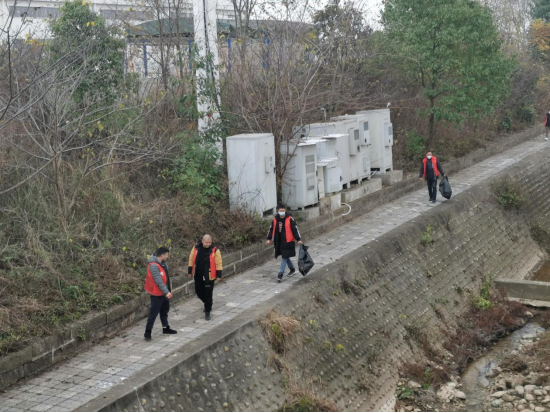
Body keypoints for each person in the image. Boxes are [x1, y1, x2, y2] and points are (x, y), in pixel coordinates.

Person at [144, 247, 177, 341]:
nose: (167, 256)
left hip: (164, 292)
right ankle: (147, 332)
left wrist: (168, 291)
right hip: (157, 294)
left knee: (164, 311)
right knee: (153, 313)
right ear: (162, 255)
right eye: (167, 254)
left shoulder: (162, 263)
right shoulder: (153, 265)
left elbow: (166, 278)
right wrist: (166, 292)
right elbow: (158, 281)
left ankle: (165, 328)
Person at [188, 235, 223, 321]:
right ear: (202, 241)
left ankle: (208, 310)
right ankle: (208, 303)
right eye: (206, 242)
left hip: (209, 276)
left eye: (209, 242)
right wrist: (190, 271)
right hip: (198, 275)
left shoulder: (215, 250)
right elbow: (191, 259)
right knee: (198, 291)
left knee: (208, 294)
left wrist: (219, 275)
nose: (208, 244)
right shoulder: (196, 248)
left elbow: (218, 263)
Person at [266, 204, 303, 282]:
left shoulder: (290, 219)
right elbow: (271, 229)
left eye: (283, 211)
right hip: (279, 241)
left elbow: (295, 229)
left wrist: (298, 239)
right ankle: (292, 269)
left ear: (285, 210)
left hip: (288, 241)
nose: (282, 212)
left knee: (284, 257)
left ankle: (280, 274)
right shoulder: (275, 219)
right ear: (278, 211)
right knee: (285, 256)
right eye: (280, 211)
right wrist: (269, 239)